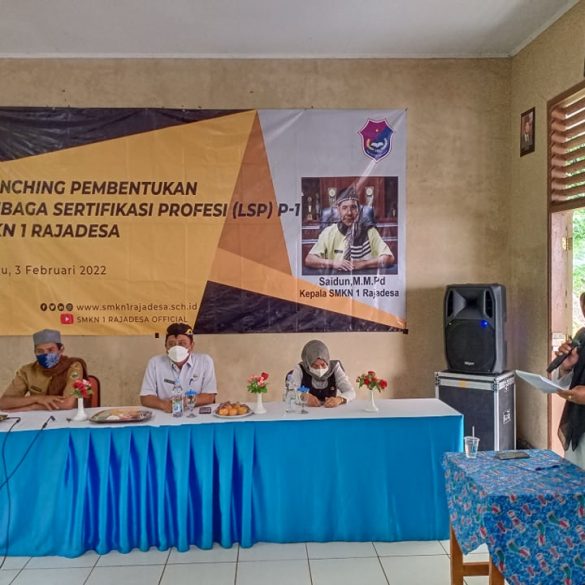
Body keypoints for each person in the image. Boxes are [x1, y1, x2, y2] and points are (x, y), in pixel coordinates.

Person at [305, 186, 395, 272]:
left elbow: (389, 258)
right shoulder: (328, 232)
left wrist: (364, 264)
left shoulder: (369, 231)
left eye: (353, 207)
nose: (349, 213)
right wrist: (333, 263)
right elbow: (309, 259)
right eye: (344, 208)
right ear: (338, 209)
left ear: (358, 209)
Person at [0, 329, 87, 411]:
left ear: (61, 350)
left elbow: (67, 404)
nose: (45, 354)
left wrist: (33, 407)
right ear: (35, 352)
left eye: (50, 350)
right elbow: (3, 403)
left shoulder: (74, 367)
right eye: (40, 351)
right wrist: (38, 398)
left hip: (68, 417)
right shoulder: (27, 371)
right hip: (37, 418)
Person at [140, 323, 217, 412]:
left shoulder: (204, 361)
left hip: (195, 414)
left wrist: (183, 402)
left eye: (182, 343)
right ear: (166, 347)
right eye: (171, 344)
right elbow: (145, 397)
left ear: (191, 346)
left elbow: (209, 396)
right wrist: (164, 405)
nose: (176, 348)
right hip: (166, 414)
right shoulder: (155, 363)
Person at [552, 333, 585, 469]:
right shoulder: (583, 336)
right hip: (578, 432)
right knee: (573, 477)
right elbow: (565, 383)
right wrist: (565, 368)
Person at [289, 339, 355, 407]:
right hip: (306, 410)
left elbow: (350, 392)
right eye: (315, 366)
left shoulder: (335, 368)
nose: (320, 369)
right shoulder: (300, 368)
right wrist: (303, 396)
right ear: (308, 364)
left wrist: (339, 399)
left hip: (329, 411)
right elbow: (290, 391)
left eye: (323, 365)